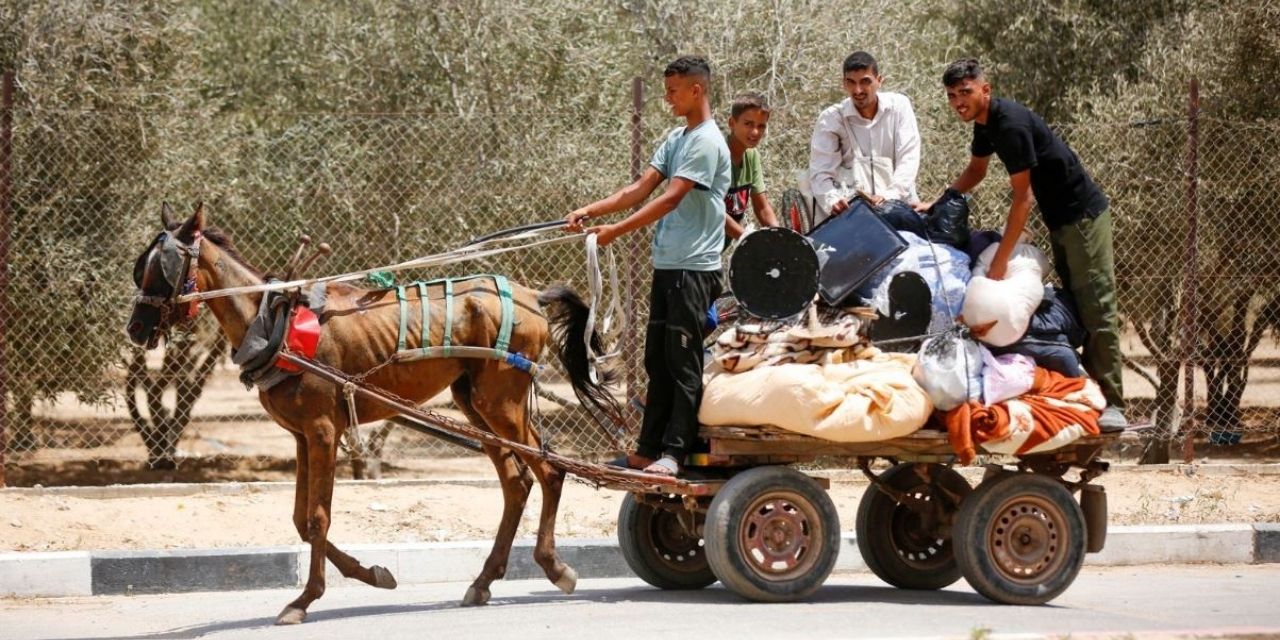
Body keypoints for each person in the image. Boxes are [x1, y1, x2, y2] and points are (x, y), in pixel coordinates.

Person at [916, 58, 1127, 431]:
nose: (958, 101)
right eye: (952, 96)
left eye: (965, 92)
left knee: (1097, 309)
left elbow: (1022, 199)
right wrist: (940, 198)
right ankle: (1087, 392)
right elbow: (976, 171)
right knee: (1078, 304)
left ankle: (1113, 403)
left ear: (986, 89)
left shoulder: (1010, 125)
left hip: (1083, 219)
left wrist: (999, 261)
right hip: (1061, 221)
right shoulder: (985, 125)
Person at [565, 56, 729, 476]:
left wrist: (615, 232)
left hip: (694, 270)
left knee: (683, 363)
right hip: (670, 267)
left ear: (696, 90)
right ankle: (646, 450)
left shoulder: (707, 142)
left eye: (673, 91)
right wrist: (591, 210)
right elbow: (639, 188)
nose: (667, 98)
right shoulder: (677, 137)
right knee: (657, 361)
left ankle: (674, 454)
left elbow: (671, 197)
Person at [808, 51, 922, 218]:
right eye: (851, 83)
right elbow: (821, 173)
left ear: (879, 80)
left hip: (899, 208)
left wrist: (888, 198)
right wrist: (833, 201)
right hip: (853, 215)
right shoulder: (831, 118)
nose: (858, 90)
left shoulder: (899, 107)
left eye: (865, 82)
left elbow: (909, 158)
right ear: (844, 84)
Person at [723, 92, 779, 245]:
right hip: (689, 252)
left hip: (713, 254)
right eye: (748, 124)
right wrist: (747, 238)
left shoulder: (751, 156)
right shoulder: (717, 154)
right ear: (732, 123)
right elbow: (712, 210)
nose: (755, 132)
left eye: (761, 126)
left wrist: (780, 237)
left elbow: (762, 208)